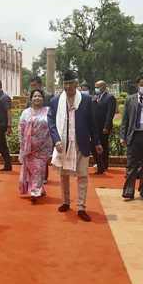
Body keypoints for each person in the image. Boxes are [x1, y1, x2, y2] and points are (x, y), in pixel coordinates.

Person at [48, 71, 102, 222]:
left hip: (81, 143)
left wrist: (97, 142)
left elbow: (92, 123)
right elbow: (51, 122)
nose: (68, 86)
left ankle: (81, 207)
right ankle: (66, 202)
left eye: (71, 83)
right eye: (65, 83)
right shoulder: (55, 101)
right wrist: (56, 139)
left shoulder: (85, 100)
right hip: (62, 144)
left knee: (83, 176)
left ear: (76, 84)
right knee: (63, 175)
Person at [18, 89, 53, 203]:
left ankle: (35, 191)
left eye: (39, 96)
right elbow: (21, 129)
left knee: (40, 169)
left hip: (44, 146)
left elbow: (53, 126)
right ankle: (39, 189)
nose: (37, 98)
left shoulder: (48, 111)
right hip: (29, 147)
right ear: (31, 99)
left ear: (43, 99)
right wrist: (22, 145)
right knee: (33, 170)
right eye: (35, 96)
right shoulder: (26, 112)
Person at [92, 80, 117, 175]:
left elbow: (109, 113)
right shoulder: (97, 98)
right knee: (97, 144)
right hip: (96, 126)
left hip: (104, 127)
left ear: (103, 87)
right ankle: (99, 163)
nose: (96, 89)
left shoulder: (110, 98)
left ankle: (104, 164)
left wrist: (106, 126)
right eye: (95, 87)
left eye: (98, 87)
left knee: (103, 145)